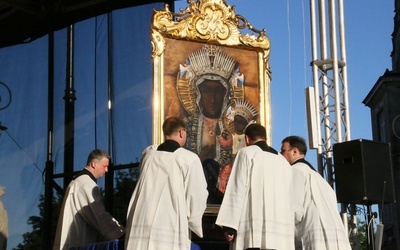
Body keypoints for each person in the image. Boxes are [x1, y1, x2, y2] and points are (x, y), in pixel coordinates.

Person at [125, 117, 208, 250]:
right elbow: (196, 194)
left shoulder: (148, 155)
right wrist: (193, 221)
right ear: (182, 132)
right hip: (170, 222)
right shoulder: (188, 159)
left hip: (141, 223)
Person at [216, 123, 294, 250]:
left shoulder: (247, 153)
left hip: (254, 233)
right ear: (265, 137)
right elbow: (290, 199)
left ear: (247, 139)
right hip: (281, 237)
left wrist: (230, 226)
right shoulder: (283, 162)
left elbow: (237, 188)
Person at [280, 136, 351, 250]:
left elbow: (294, 210)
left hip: (315, 238)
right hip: (337, 240)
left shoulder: (296, 171)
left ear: (294, 152)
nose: (280, 155)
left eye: (283, 150)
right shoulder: (321, 179)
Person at [53, 149, 125, 250]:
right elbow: (99, 216)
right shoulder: (86, 184)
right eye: (105, 166)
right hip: (80, 244)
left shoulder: (79, 182)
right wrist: (122, 234)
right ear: (94, 164)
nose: (106, 170)